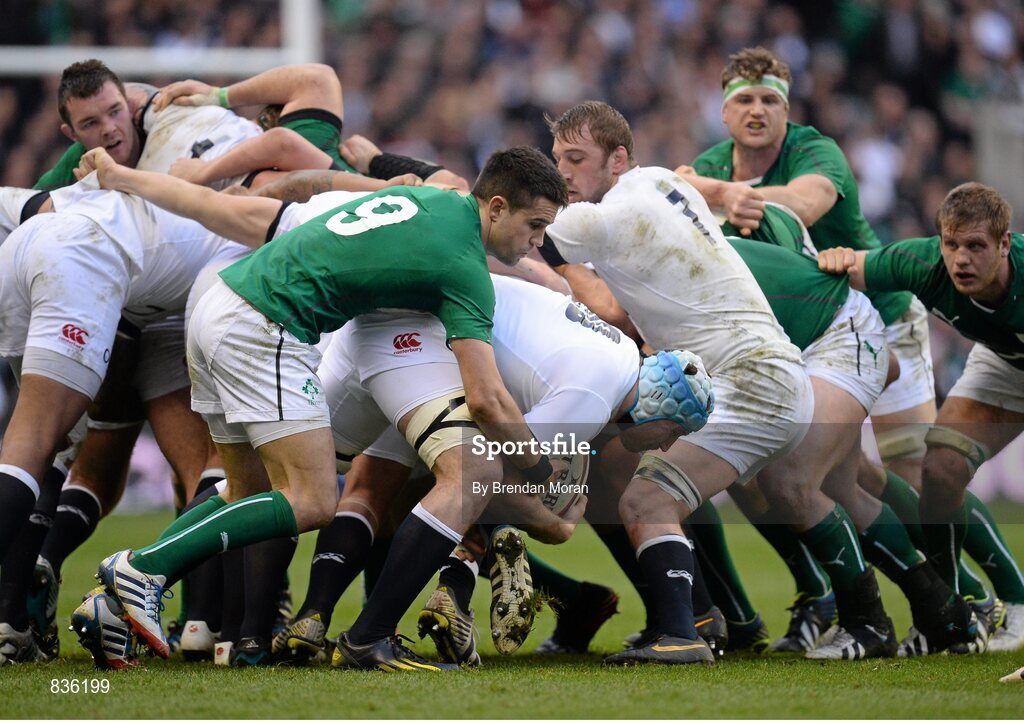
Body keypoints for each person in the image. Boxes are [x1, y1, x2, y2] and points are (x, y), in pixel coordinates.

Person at [85, 145, 573, 673]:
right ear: (496, 208)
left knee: (249, 493)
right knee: (312, 501)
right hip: (265, 325)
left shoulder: (438, 197)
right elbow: (487, 400)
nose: (537, 242)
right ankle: (144, 570)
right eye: (536, 224)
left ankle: (111, 602)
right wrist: (542, 471)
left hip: (221, 302)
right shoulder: (465, 266)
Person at [680, 46, 1020, 651]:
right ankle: (853, 602)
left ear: (788, 109)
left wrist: (712, 195)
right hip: (802, 336)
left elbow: (804, 207)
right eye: (744, 100)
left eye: (770, 100)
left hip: (883, 322)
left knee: (920, 470)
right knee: (830, 473)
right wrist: (707, 188)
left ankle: (989, 596)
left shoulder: (814, 152)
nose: (757, 111)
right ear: (724, 110)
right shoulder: (711, 163)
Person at [537, 100, 814, 665]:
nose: (561, 172)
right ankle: (707, 619)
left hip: (750, 381)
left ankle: (685, 634)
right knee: (618, 457)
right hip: (763, 372)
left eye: (575, 158)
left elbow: (505, 233)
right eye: (556, 158)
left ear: (617, 159)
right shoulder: (658, 180)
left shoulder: (599, 216)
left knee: (645, 497)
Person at [818, 182, 1024, 654]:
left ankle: (1014, 599)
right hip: (1004, 364)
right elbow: (851, 267)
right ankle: (953, 613)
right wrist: (830, 262)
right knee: (939, 469)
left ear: (1005, 244)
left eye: (976, 246)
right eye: (952, 245)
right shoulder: (919, 262)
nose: (961, 259)